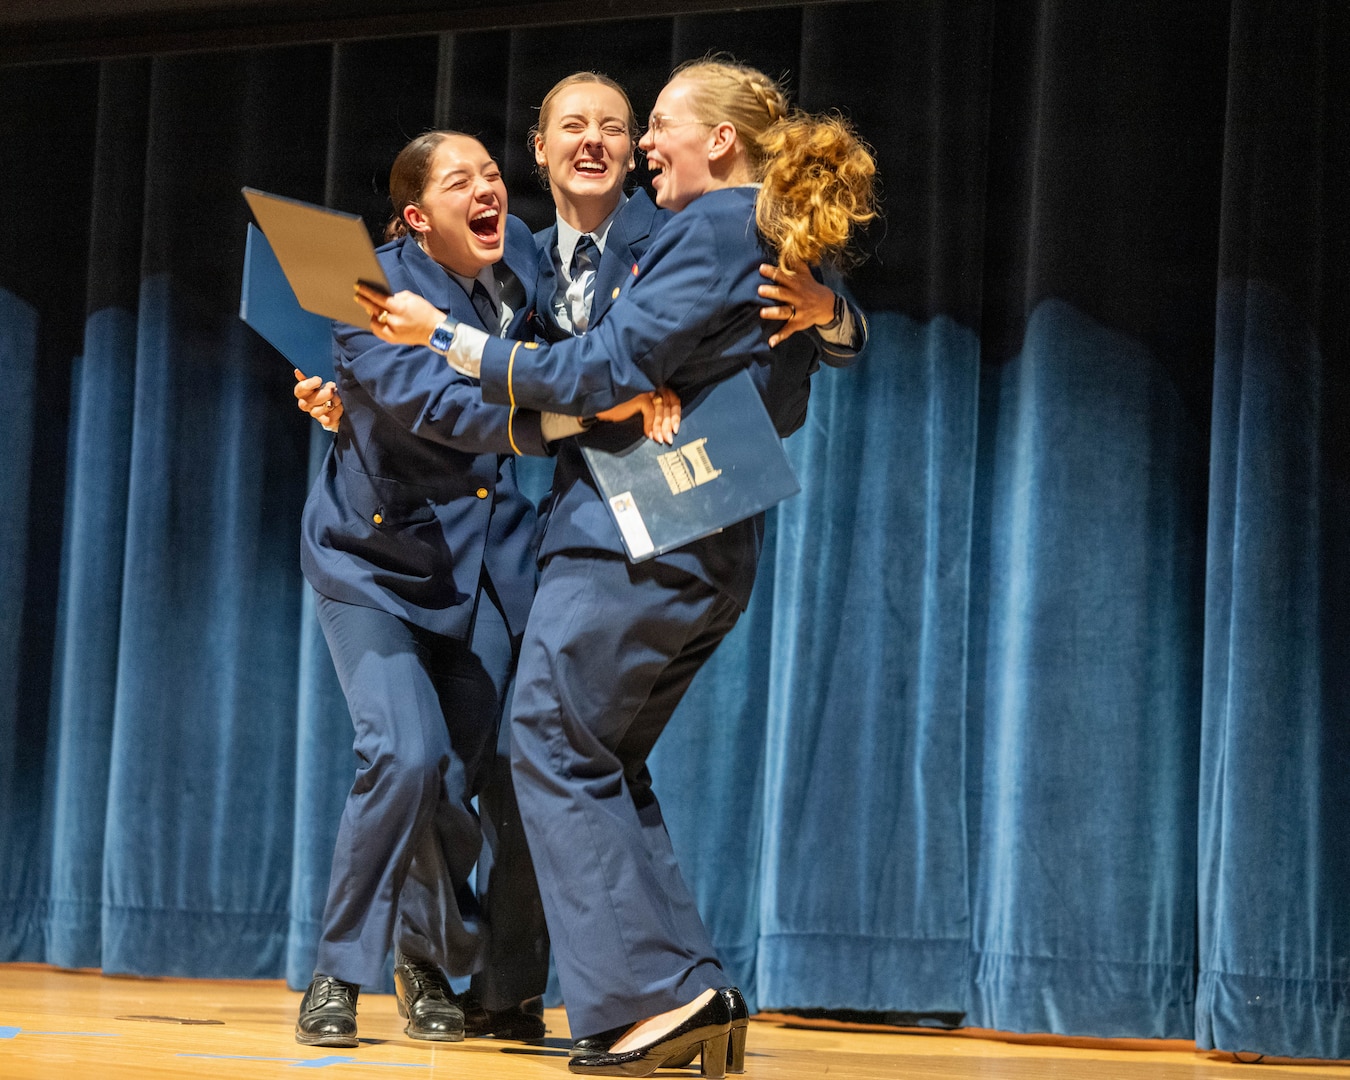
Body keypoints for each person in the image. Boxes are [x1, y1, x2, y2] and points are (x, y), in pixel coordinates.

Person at [355, 59, 876, 1077]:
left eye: (655, 125)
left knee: (549, 737)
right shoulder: (738, 235)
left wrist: (446, 338)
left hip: (640, 533)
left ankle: (652, 1003)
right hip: (699, 537)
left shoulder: (712, 227)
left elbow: (595, 369)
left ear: (718, 141)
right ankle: (685, 993)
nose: (638, 147)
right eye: (583, 127)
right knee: (595, 754)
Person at [293, 129, 668, 1049]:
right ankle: (339, 973)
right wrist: (581, 413)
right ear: (419, 218)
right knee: (406, 757)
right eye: (462, 182)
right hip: (372, 565)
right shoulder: (367, 286)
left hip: (485, 572)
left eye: (493, 174)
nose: (488, 189)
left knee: (464, 778)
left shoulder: (524, 269)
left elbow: (598, 298)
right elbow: (446, 409)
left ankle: (427, 963)